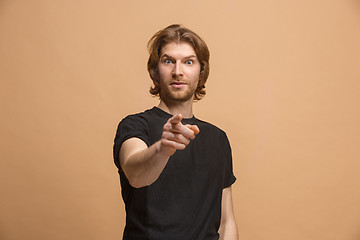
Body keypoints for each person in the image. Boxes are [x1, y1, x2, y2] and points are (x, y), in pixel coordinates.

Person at [113, 24, 238, 240]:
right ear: (155, 71)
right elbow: (135, 174)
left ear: (201, 72)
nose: (178, 71)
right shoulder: (134, 125)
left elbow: (226, 222)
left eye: (188, 62)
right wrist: (163, 148)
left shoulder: (218, 138)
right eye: (168, 61)